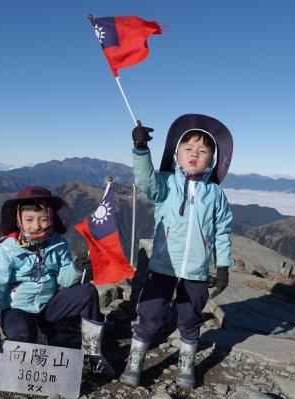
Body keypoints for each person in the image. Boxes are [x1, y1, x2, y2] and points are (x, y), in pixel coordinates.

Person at [120, 114, 235, 388]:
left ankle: (186, 365)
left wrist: (222, 267)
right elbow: (145, 181)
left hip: (196, 269)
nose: (195, 154)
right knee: (150, 311)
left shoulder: (216, 195)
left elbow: (222, 231)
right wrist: (140, 149)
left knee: (190, 316)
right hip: (163, 264)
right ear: (176, 154)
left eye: (203, 151)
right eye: (188, 149)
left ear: (212, 160)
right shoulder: (166, 183)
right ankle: (134, 361)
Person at [0, 186, 114, 380]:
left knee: (87, 292)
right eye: (29, 220)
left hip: (49, 306)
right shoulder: (8, 251)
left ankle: (92, 353)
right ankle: (38, 339)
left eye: (43, 219)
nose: (36, 225)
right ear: (19, 220)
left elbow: (64, 279)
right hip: (16, 310)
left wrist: (76, 267)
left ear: (52, 218)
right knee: (21, 333)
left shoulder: (58, 243)